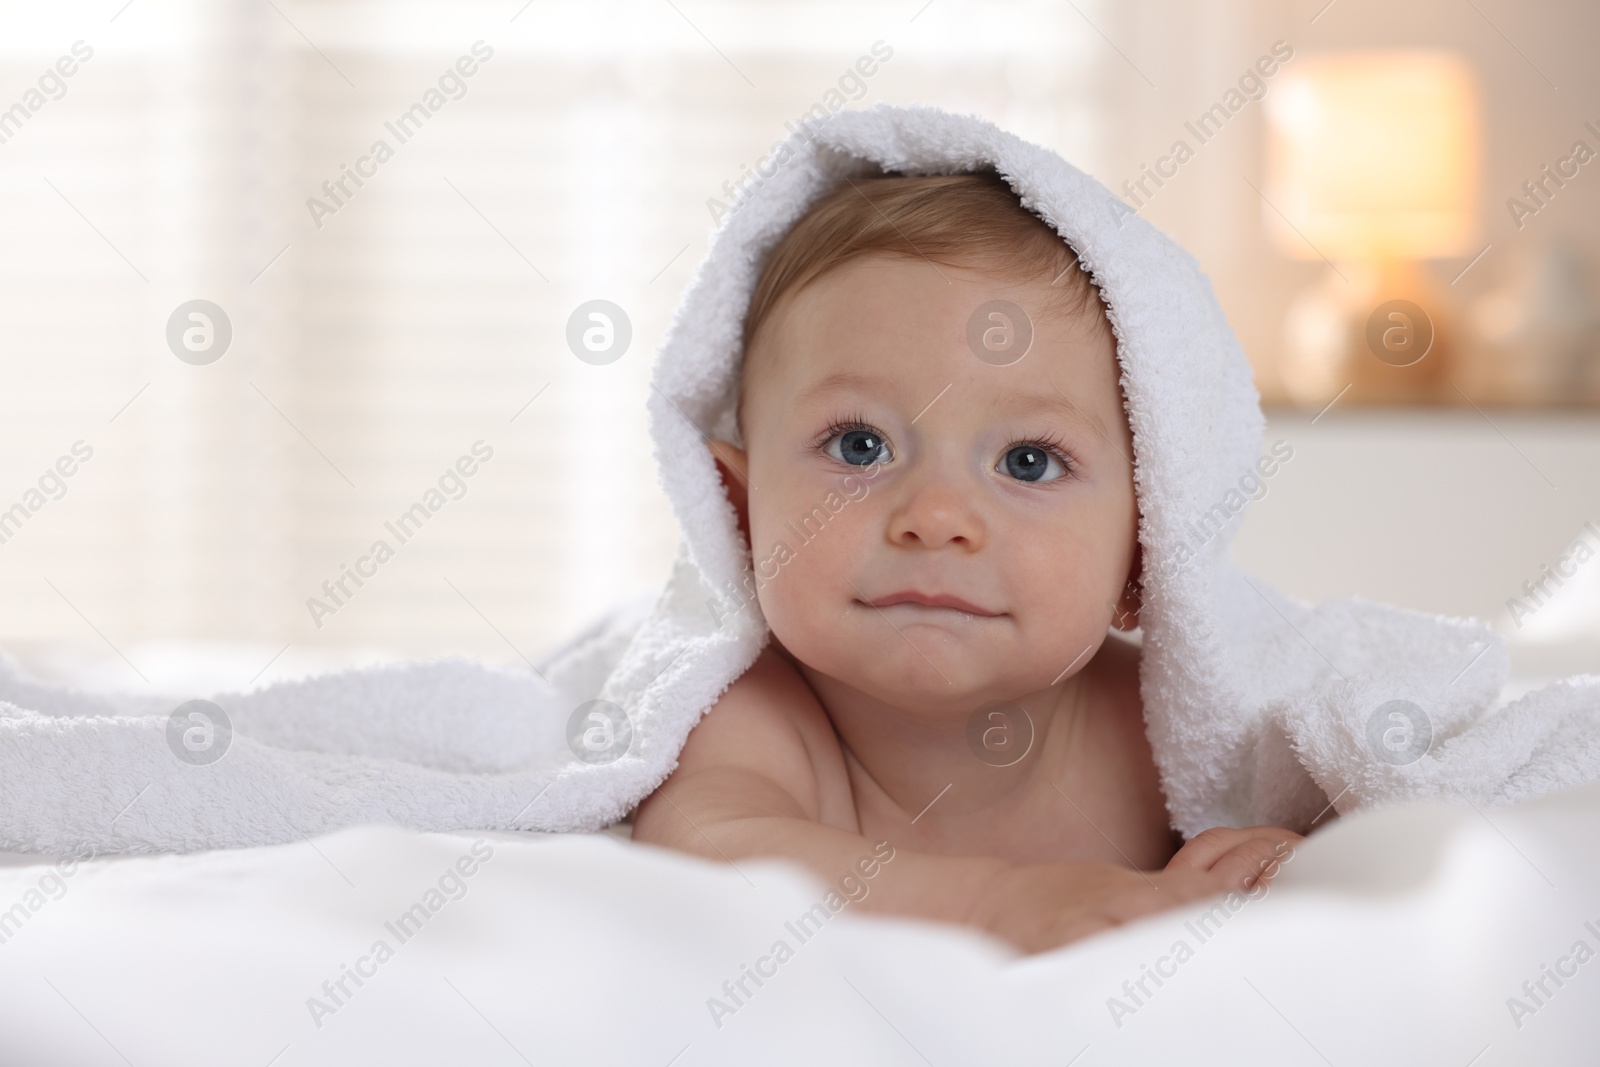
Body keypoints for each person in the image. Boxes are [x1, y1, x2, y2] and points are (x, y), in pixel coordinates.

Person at [633, 171, 1302, 955]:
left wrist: (1286, 859)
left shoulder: (1170, 731)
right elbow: (707, 854)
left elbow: (1357, 810)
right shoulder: (757, 715)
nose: (937, 517)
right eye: (861, 445)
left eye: (1027, 461)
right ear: (738, 515)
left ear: (1142, 564)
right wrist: (993, 904)